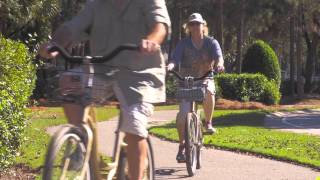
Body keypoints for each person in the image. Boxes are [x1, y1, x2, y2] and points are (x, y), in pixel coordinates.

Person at [39, 0, 171, 179]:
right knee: (69, 81)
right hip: (102, 69)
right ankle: (79, 143)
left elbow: (160, 26)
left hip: (140, 74)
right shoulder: (97, 4)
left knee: (133, 124)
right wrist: (54, 44)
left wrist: (151, 41)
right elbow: (72, 27)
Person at [167, 13, 224, 163]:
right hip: (187, 82)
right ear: (189, 27)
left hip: (205, 78)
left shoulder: (211, 42)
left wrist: (219, 64)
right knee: (181, 117)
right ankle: (182, 146)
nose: (195, 26)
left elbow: (219, 56)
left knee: (209, 92)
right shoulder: (183, 43)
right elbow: (175, 58)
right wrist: (171, 66)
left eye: (198, 24)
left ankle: (208, 123)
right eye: (192, 24)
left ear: (203, 26)